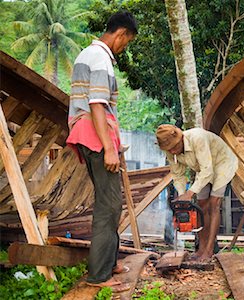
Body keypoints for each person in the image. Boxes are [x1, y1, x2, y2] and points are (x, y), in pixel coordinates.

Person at [66, 11, 138, 291]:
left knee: (110, 202)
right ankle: (99, 275)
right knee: (108, 207)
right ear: (120, 34)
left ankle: (110, 262)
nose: (124, 47)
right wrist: (109, 148)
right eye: (126, 42)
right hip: (96, 137)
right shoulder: (100, 58)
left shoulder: (89, 54)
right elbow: (97, 104)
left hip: (90, 135)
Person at [156, 125, 238, 261]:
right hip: (204, 170)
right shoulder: (170, 150)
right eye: (169, 149)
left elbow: (208, 170)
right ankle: (201, 249)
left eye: (174, 147)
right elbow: (178, 174)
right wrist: (183, 195)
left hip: (223, 164)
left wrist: (190, 193)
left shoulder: (198, 138)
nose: (172, 151)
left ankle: (209, 250)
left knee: (213, 204)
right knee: (200, 206)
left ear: (181, 138)